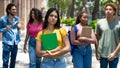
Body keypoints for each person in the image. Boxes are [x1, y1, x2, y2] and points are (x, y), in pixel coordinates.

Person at [95, 2, 120, 68]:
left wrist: (114, 53)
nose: (108, 11)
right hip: (102, 54)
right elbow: (97, 38)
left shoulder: (119, 24)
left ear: (114, 11)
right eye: (106, 9)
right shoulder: (99, 23)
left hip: (114, 55)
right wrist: (97, 52)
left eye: (110, 9)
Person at [0, 3, 22, 68]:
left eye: (15, 9)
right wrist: (5, 29)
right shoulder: (3, 19)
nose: (15, 11)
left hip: (15, 43)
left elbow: (19, 29)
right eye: (13, 9)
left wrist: (19, 27)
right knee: (5, 61)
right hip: (7, 43)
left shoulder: (17, 19)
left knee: (13, 61)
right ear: (9, 10)